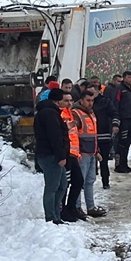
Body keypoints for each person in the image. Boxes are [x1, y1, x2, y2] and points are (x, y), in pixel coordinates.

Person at [32, 89, 70, 224]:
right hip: (50, 155)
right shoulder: (50, 113)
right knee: (53, 187)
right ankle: (51, 217)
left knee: (62, 185)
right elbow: (55, 136)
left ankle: (55, 215)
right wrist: (61, 156)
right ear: (58, 100)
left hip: (49, 154)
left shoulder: (48, 112)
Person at [75, 89, 107, 217]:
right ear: (81, 100)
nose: (90, 103)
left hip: (91, 152)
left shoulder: (91, 114)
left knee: (90, 181)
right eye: (88, 100)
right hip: (82, 153)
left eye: (92, 100)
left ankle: (90, 206)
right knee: (79, 182)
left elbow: (93, 135)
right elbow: (73, 135)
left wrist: (96, 150)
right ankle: (77, 207)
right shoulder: (76, 113)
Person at [59, 92, 86, 222]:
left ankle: (70, 208)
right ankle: (63, 209)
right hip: (67, 154)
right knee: (66, 183)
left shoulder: (70, 113)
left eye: (70, 100)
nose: (69, 103)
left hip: (73, 154)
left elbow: (74, 135)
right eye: (66, 101)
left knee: (78, 181)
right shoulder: (61, 114)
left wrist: (77, 152)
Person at [91, 75, 115, 189]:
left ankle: (105, 182)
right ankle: (89, 182)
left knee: (104, 161)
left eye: (93, 92)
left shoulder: (105, 102)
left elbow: (114, 113)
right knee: (90, 162)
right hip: (89, 137)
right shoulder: (84, 104)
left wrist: (115, 125)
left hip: (103, 135)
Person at [113, 70, 131, 173]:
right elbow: (116, 104)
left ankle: (125, 164)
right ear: (124, 78)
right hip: (123, 120)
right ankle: (119, 165)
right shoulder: (120, 89)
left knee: (128, 142)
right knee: (121, 143)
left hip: (130, 119)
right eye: (128, 77)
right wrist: (117, 120)